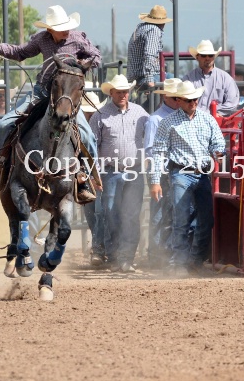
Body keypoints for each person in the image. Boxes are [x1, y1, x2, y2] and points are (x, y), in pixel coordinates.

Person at [0, 4, 102, 202]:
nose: (66, 30)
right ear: (50, 29)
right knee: (5, 123)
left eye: (67, 26)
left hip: (66, 96)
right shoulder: (41, 39)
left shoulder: (78, 39)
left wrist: (82, 65)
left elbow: (96, 56)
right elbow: (19, 52)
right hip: (42, 92)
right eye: (61, 28)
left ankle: (85, 177)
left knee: (87, 135)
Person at [150, 80, 225, 277]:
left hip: (202, 174)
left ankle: (195, 260)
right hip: (180, 174)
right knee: (181, 219)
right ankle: (179, 263)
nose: (193, 102)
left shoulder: (207, 119)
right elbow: (158, 153)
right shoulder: (168, 123)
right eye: (188, 100)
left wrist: (218, 151)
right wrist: (155, 181)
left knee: (206, 219)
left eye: (195, 99)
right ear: (178, 100)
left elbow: (217, 141)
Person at [89, 74, 149, 273]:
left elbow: (147, 140)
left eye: (125, 91)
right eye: (119, 91)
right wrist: (95, 175)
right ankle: (115, 256)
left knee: (131, 214)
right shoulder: (100, 115)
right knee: (111, 214)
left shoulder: (140, 113)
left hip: (134, 170)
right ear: (111, 92)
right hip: (109, 171)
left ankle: (126, 257)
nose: (123, 94)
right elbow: (92, 148)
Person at [144, 77, 182, 267]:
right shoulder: (155, 120)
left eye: (180, 97)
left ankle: (168, 254)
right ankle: (156, 255)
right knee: (159, 214)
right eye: (175, 97)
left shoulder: (177, 118)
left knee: (175, 214)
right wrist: (154, 178)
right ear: (166, 97)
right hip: (162, 173)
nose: (178, 101)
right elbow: (150, 151)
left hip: (176, 172)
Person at [81, 89, 107, 266]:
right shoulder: (81, 128)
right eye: (87, 111)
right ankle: (99, 248)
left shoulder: (99, 124)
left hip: (103, 173)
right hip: (86, 175)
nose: (90, 114)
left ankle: (99, 248)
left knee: (100, 212)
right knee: (92, 214)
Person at [126, 4, 172, 103]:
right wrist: (149, 79)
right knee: (177, 82)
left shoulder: (142, 27)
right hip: (144, 77)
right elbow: (149, 55)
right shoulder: (154, 30)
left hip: (137, 76)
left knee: (172, 79)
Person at [183, 40, 240, 116]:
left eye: (210, 55)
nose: (207, 58)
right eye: (203, 55)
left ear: (214, 57)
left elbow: (233, 102)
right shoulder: (188, 78)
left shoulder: (225, 78)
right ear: (197, 57)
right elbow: (183, 101)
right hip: (193, 120)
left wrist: (217, 112)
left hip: (218, 122)